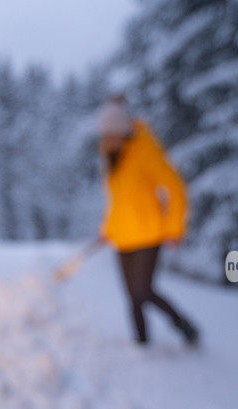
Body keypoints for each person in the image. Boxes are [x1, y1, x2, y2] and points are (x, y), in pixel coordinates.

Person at [97, 94, 199, 347]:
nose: (108, 141)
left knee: (143, 291)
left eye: (112, 136)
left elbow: (175, 187)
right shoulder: (113, 159)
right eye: (105, 136)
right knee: (132, 296)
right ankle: (141, 343)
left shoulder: (145, 151)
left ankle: (185, 326)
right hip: (123, 237)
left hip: (149, 234)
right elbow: (118, 201)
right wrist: (107, 229)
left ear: (123, 132)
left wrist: (175, 227)